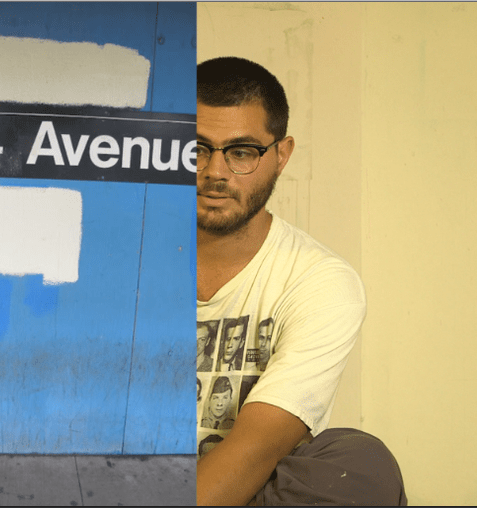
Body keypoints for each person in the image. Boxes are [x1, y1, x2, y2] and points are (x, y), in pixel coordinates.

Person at [195, 56, 406, 506]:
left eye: (241, 152)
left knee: (360, 461)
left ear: (281, 155)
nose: (215, 171)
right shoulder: (114, 264)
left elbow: (254, 451)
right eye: (196, 149)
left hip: (242, 490)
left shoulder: (320, 281)